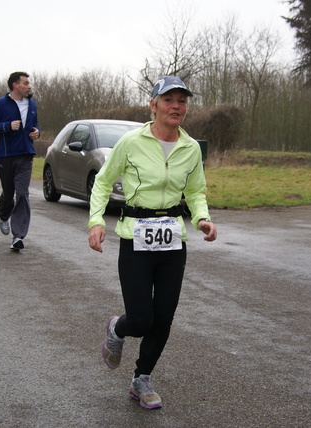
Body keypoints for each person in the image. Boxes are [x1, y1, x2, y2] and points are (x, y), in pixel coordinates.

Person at [88, 75, 218, 410]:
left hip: (173, 240)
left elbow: (195, 191)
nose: (176, 107)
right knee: (141, 319)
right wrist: (96, 221)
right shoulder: (131, 142)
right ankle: (118, 327)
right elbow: (102, 182)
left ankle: (141, 379)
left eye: (182, 101)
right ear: (154, 105)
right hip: (135, 237)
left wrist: (202, 218)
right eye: (169, 100)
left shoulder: (190, 149)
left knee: (163, 318)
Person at [0, 71, 40, 251]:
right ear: (15, 85)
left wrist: (37, 132)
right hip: (5, 156)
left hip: (25, 154)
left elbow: (35, 124)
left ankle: (18, 236)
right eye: (25, 83)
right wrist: (7, 126)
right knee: (8, 193)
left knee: (22, 194)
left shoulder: (31, 104)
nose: (29, 86)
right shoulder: (0, 104)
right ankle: (3, 215)